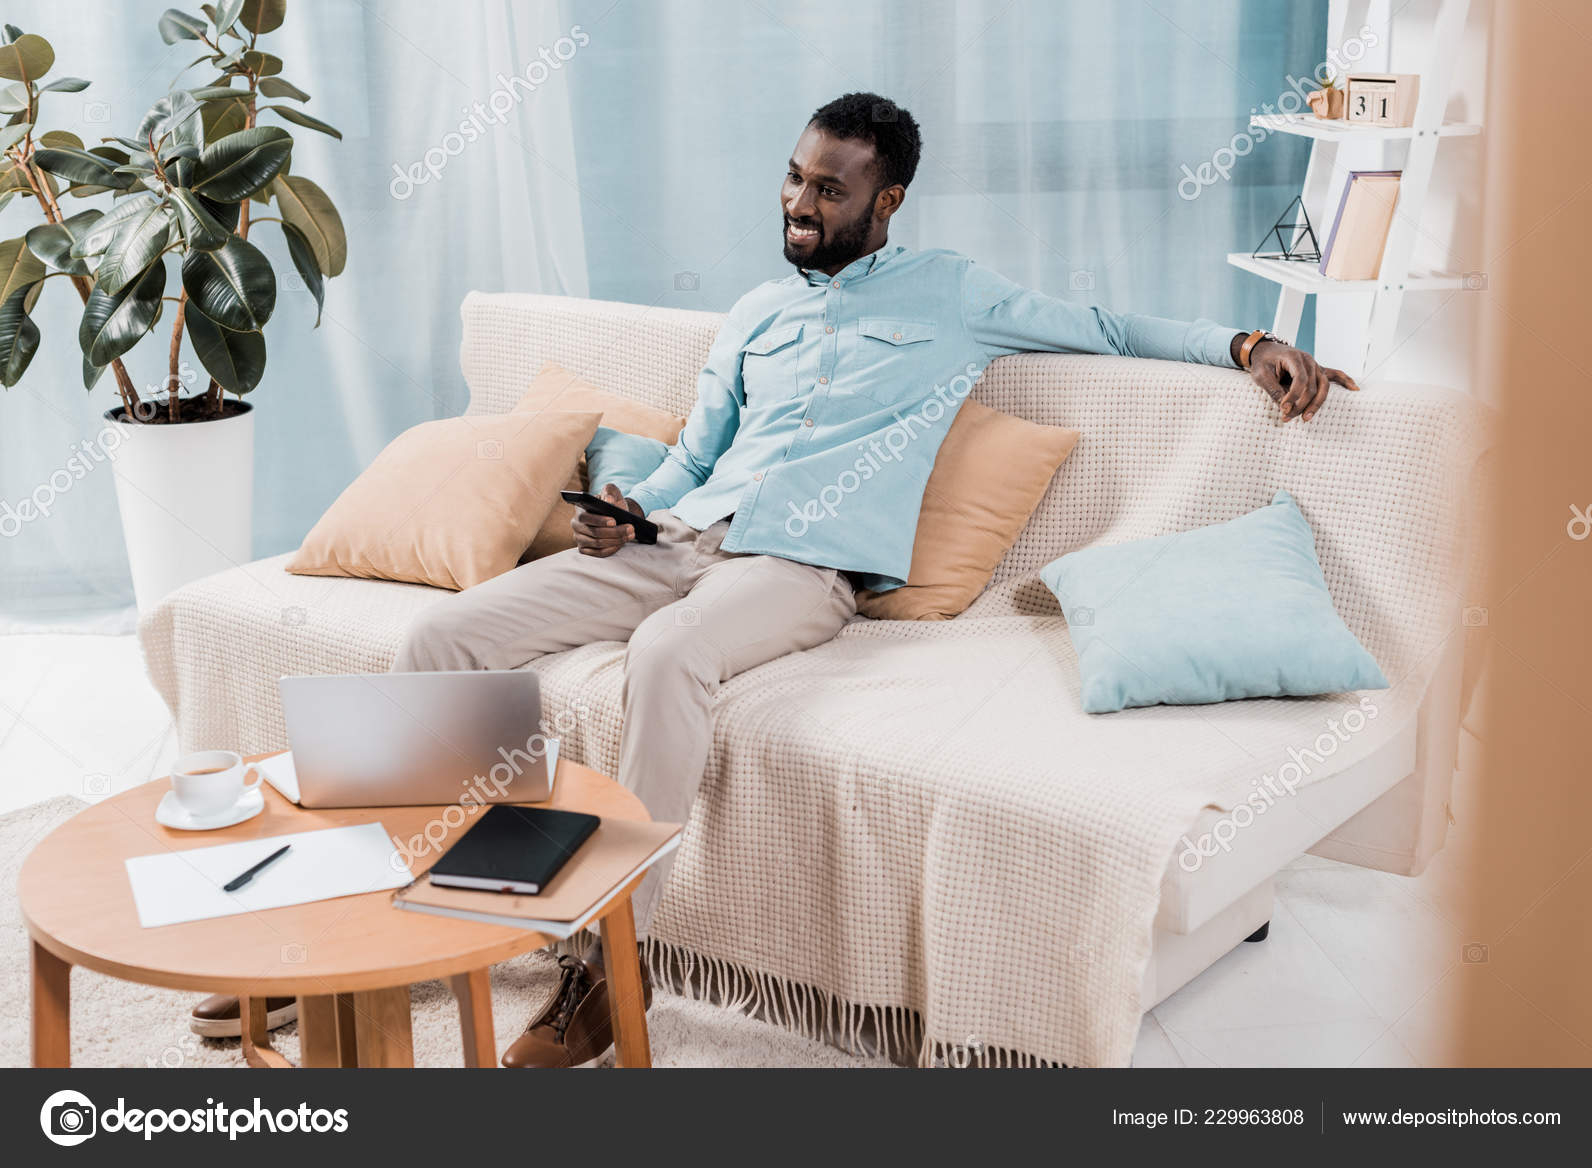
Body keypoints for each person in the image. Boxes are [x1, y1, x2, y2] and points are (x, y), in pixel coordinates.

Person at [191, 91, 1355, 1066]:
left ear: (887, 201)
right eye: (794, 180)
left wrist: (1247, 346)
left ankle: (605, 962)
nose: (800, 205)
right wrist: (632, 509)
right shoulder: (752, 315)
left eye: (830, 190)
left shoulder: (949, 294)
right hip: (674, 540)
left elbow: (1101, 323)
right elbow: (697, 456)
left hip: (802, 569)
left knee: (667, 657)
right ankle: (359, 927)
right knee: (439, 641)